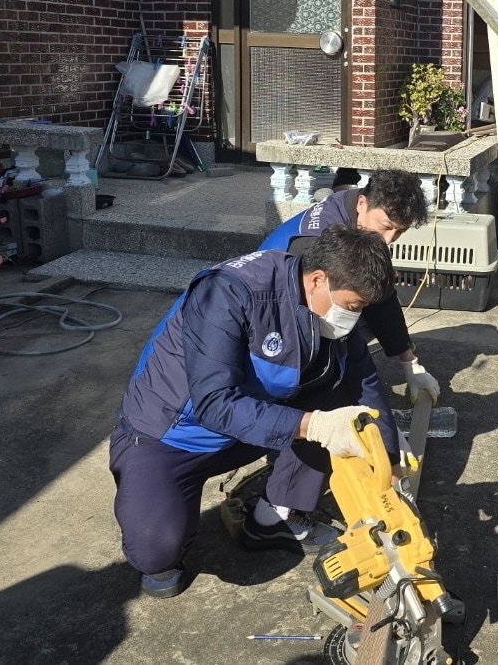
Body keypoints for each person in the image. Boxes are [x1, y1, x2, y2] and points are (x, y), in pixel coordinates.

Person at [109, 225, 400, 599]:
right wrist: (311, 424)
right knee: (156, 553)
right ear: (317, 280)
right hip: (171, 436)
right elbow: (213, 404)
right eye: (354, 306)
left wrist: (388, 462)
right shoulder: (229, 292)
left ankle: (275, 515)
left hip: (249, 426)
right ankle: (162, 500)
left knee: (345, 417)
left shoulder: (326, 305)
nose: (354, 318)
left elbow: (363, 381)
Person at [259, 169, 439, 404]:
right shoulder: (318, 239)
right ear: (362, 203)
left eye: (400, 232)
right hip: (271, 309)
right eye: (386, 226)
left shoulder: (359, 209)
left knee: (364, 301)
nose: (388, 239)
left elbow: (382, 298)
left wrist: (410, 363)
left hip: (308, 292)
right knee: (347, 317)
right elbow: (298, 307)